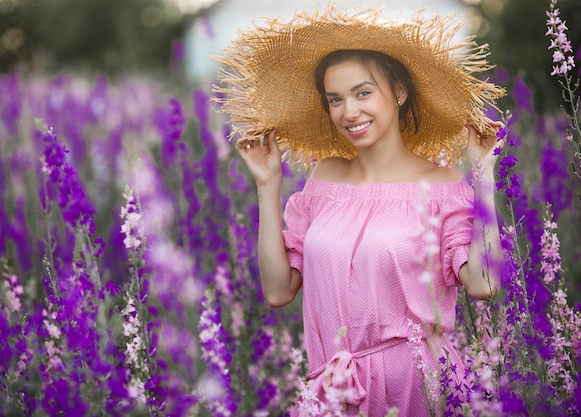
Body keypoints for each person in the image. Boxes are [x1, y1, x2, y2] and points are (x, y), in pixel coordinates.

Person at [214, 5, 506, 416]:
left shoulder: (442, 188)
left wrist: (482, 179)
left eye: (363, 92)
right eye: (335, 99)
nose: (348, 112)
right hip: (334, 391)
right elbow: (278, 291)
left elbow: (484, 284)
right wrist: (268, 186)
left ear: (399, 92)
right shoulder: (326, 179)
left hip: (417, 386)